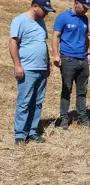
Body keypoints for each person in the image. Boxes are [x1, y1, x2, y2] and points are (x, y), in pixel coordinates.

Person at [9, 0, 56, 145]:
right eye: (45, 10)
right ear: (35, 7)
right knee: (24, 102)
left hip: (41, 69)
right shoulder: (20, 20)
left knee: (38, 102)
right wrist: (18, 65)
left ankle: (33, 131)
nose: (47, 13)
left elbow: (43, 44)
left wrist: (47, 63)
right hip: (27, 68)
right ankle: (20, 134)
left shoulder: (41, 22)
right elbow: (12, 43)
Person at [52, 0, 90, 129]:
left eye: (88, 7)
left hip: (82, 60)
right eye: (84, 7)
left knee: (82, 91)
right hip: (68, 59)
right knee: (66, 90)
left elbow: (85, 36)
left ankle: (82, 117)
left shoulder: (85, 19)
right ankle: (64, 118)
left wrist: (88, 52)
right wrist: (56, 55)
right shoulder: (63, 17)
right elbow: (56, 36)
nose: (86, 9)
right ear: (76, 3)